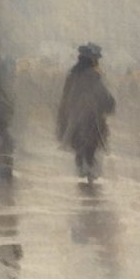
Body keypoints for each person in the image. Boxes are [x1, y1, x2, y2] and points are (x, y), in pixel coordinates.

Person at [56, 42, 116, 180]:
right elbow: (103, 96)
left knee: (80, 146)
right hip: (90, 119)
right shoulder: (93, 76)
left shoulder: (72, 75)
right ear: (92, 59)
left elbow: (66, 98)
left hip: (74, 119)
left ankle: (82, 170)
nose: (98, 61)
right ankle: (88, 174)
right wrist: (109, 104)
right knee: (90, 148)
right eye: (96, 59)